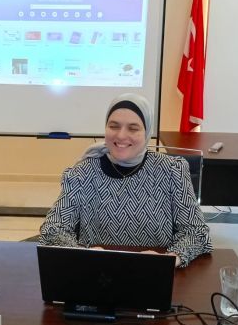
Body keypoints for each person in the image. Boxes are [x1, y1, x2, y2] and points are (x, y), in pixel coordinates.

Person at [39, 93, 212, 267]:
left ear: (147, 132)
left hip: (154, 273)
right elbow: (53, 229)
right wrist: (83, 254)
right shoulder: (83, 173)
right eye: (114, 126)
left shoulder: (172, 170)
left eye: (133, 128)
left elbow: (197, 231)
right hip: (96, 272)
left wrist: (170, 259)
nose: (121, 136)